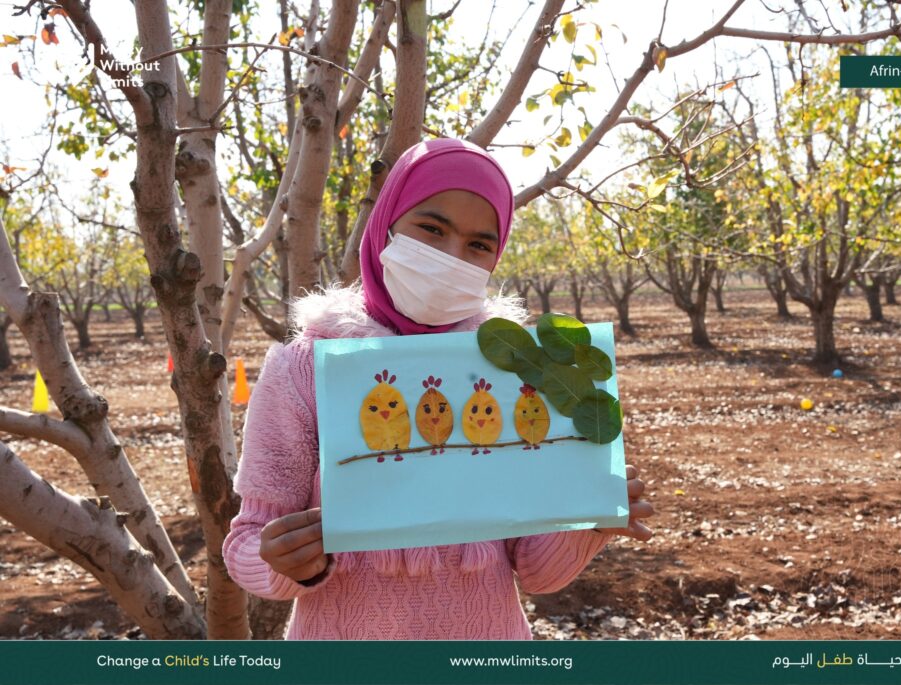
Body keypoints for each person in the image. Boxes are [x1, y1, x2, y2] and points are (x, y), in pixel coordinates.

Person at [222, 137, 654, 640]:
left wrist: (590, 523)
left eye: (479, 244)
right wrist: (282, 561)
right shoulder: (302, 370)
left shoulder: (513, 372)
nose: (452, 257)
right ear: (386, 225)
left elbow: (537, 571)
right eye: (431, 229)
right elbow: (247, 543)